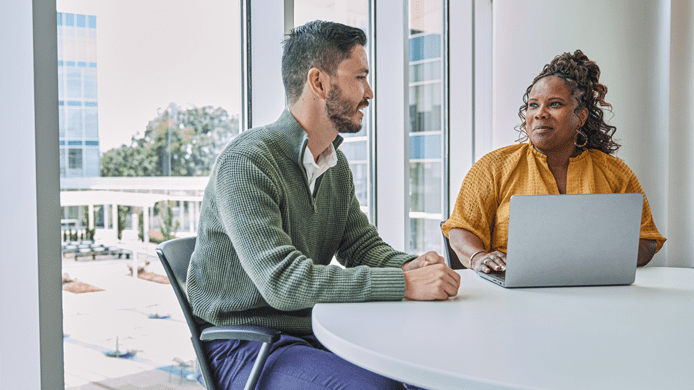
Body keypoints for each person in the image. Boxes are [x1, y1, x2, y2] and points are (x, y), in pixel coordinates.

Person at [187, 20, 461, 390]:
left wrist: (410, 265)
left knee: (427, 372)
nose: (369, 92)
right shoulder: (247, 162)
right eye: (359, 77)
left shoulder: (334, 164)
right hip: (245, 345)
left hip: (316, 329)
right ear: (319, 83)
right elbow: (283, 281)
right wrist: (404, 282)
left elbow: (361, 246)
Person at [442, 49, 666, 273]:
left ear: (581, 117)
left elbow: (646, 241)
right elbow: (461, 229)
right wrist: (478, 256)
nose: (540, 113)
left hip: (595, 291)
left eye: (555, 104)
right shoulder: (493, 167)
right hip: (511, 292)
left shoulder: (615, 172)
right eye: (533, 105)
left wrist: (594, 256)